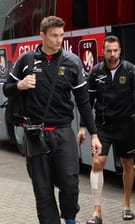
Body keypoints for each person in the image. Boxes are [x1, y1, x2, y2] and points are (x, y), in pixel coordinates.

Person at [2, 16, 102, 224]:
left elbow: (84, 102)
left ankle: (70, 219)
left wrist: (94, 134)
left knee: (70, 183)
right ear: (42, 36)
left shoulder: (72, 62)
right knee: (42, 189)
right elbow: (7, 89)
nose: (59, 40)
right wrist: (20, 85)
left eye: (61, 35)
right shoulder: (26, 61)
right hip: (35, 134)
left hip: (63, 132)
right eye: (54, 36)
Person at [77, 35, 135, 224]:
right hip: (102, 126)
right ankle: (97, 211)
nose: (112, 54)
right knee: (97, 163)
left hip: (125, 125)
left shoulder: (130, 69)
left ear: (120, 51)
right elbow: (87, 102)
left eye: (115, 50)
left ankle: (126, 205)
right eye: (109, 51)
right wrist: (83, 127)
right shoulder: (95, 72)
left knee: (127, 164)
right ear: (103, 52)